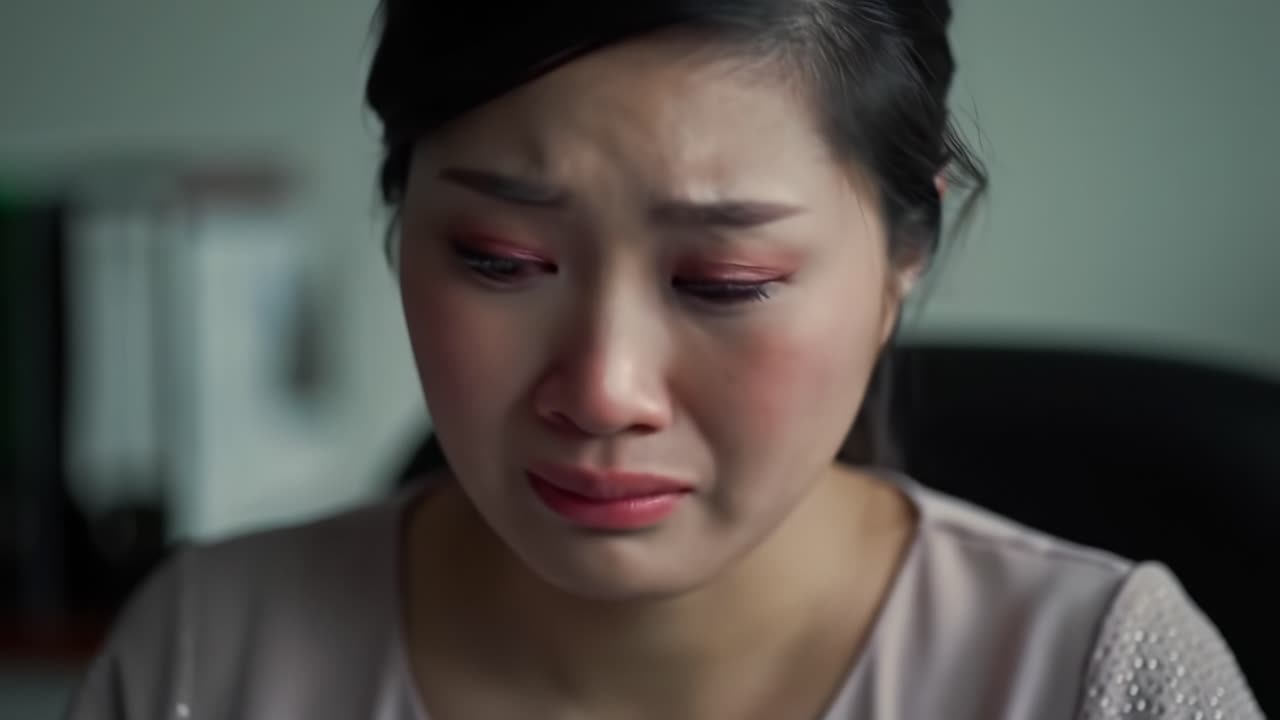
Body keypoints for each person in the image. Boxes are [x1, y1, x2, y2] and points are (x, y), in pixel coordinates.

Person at [67, 1, 1264, 718]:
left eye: (723, 284)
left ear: (907, 249)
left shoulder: (1103, 681)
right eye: (495, 258)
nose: (601, 388)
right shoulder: (203, 655)